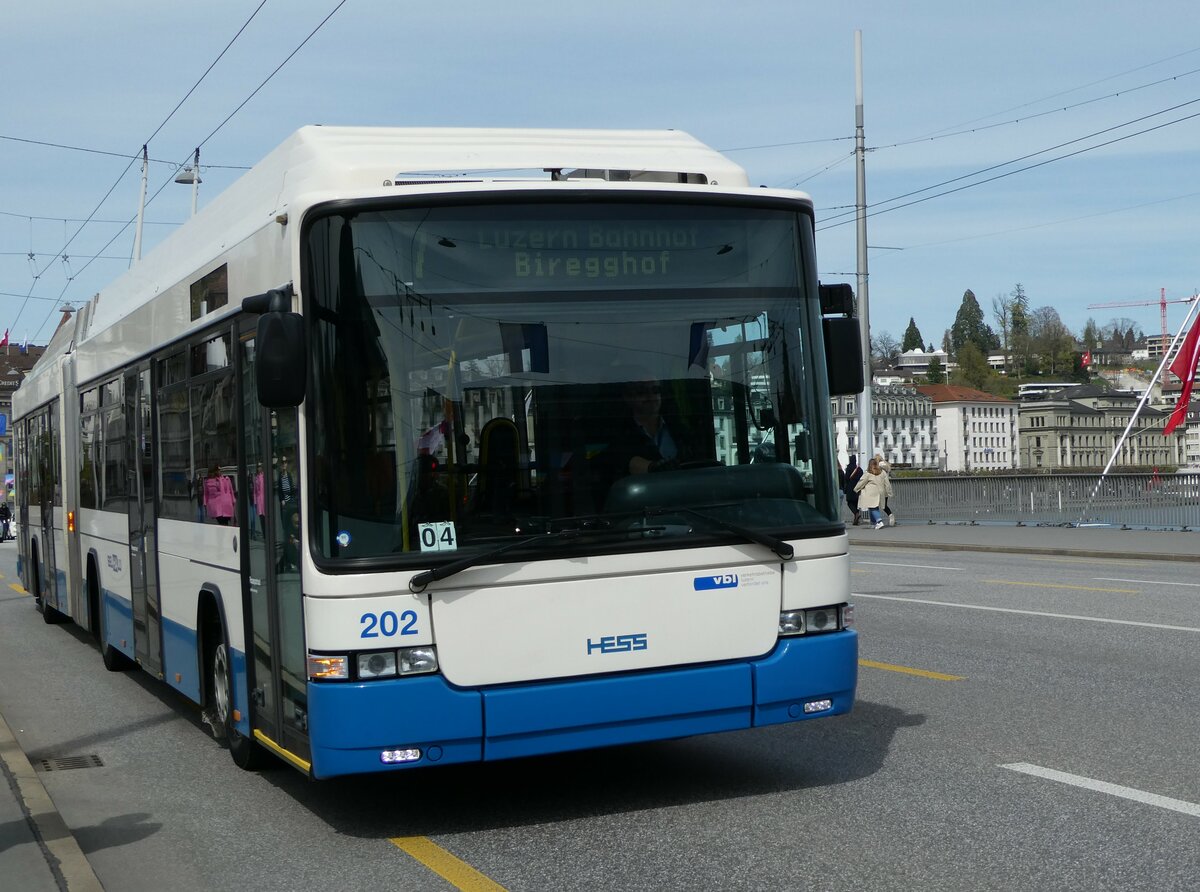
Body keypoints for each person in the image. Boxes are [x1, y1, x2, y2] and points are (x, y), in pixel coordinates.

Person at [614, 377, 694, 474]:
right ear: (627, 397)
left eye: (656, 390)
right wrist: (651, 467)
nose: (651, 396)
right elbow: (620, 462)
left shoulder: (679, 430)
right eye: (642, 391)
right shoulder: (619, 435)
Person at [853, 457, 888, 529]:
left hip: (870, 493)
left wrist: (856, 489)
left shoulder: (868, 473)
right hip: (879, 492)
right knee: (874, 506)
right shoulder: (882, 473)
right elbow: (886, 483)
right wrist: (888, 492)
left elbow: (861, 482)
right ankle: (873, 522)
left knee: (872, 507)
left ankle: (879, 521)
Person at [875, 453, 897, 526]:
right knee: (884, 505)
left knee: (876, 505)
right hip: (885, 490)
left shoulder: (880, 468)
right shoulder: (885, 467)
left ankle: (877, 520)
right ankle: (890, 516)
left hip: (879, 489)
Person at [843, 455, 863, 525]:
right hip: (858, 488)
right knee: (856, 503)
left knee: (849, 502)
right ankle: (856, 518)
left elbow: (846, 478)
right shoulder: (859, 469)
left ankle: (856, 513)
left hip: (850, 488)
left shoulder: (848, 468)